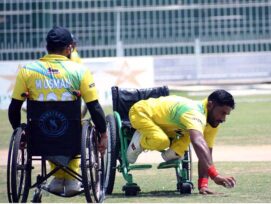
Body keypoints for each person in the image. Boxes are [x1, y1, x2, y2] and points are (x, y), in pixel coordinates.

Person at [8, 26, 108, 196]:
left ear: (47, 46)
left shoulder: (27, 71)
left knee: (46, 125)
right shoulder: (80, 71)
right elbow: (94, 107)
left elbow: (14, 108)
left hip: (40, 137)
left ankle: (58, 179)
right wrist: (103, 133)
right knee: (77, 121)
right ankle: (70, 179)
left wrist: (21, 133)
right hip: (71, 137)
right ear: (69, 48)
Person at [127, 90, 236, 194]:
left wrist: (203, 185)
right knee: (161, 141)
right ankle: (138, 142)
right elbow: (198, 142)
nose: (223, 119)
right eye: (222, 113)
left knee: (186, 140)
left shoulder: (212, 123)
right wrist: (214, 175)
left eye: (226, 115)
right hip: (142, 113)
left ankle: (171, 152)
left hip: (167, 126)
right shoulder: (194, 113)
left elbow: (206, 153)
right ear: (210, 105)